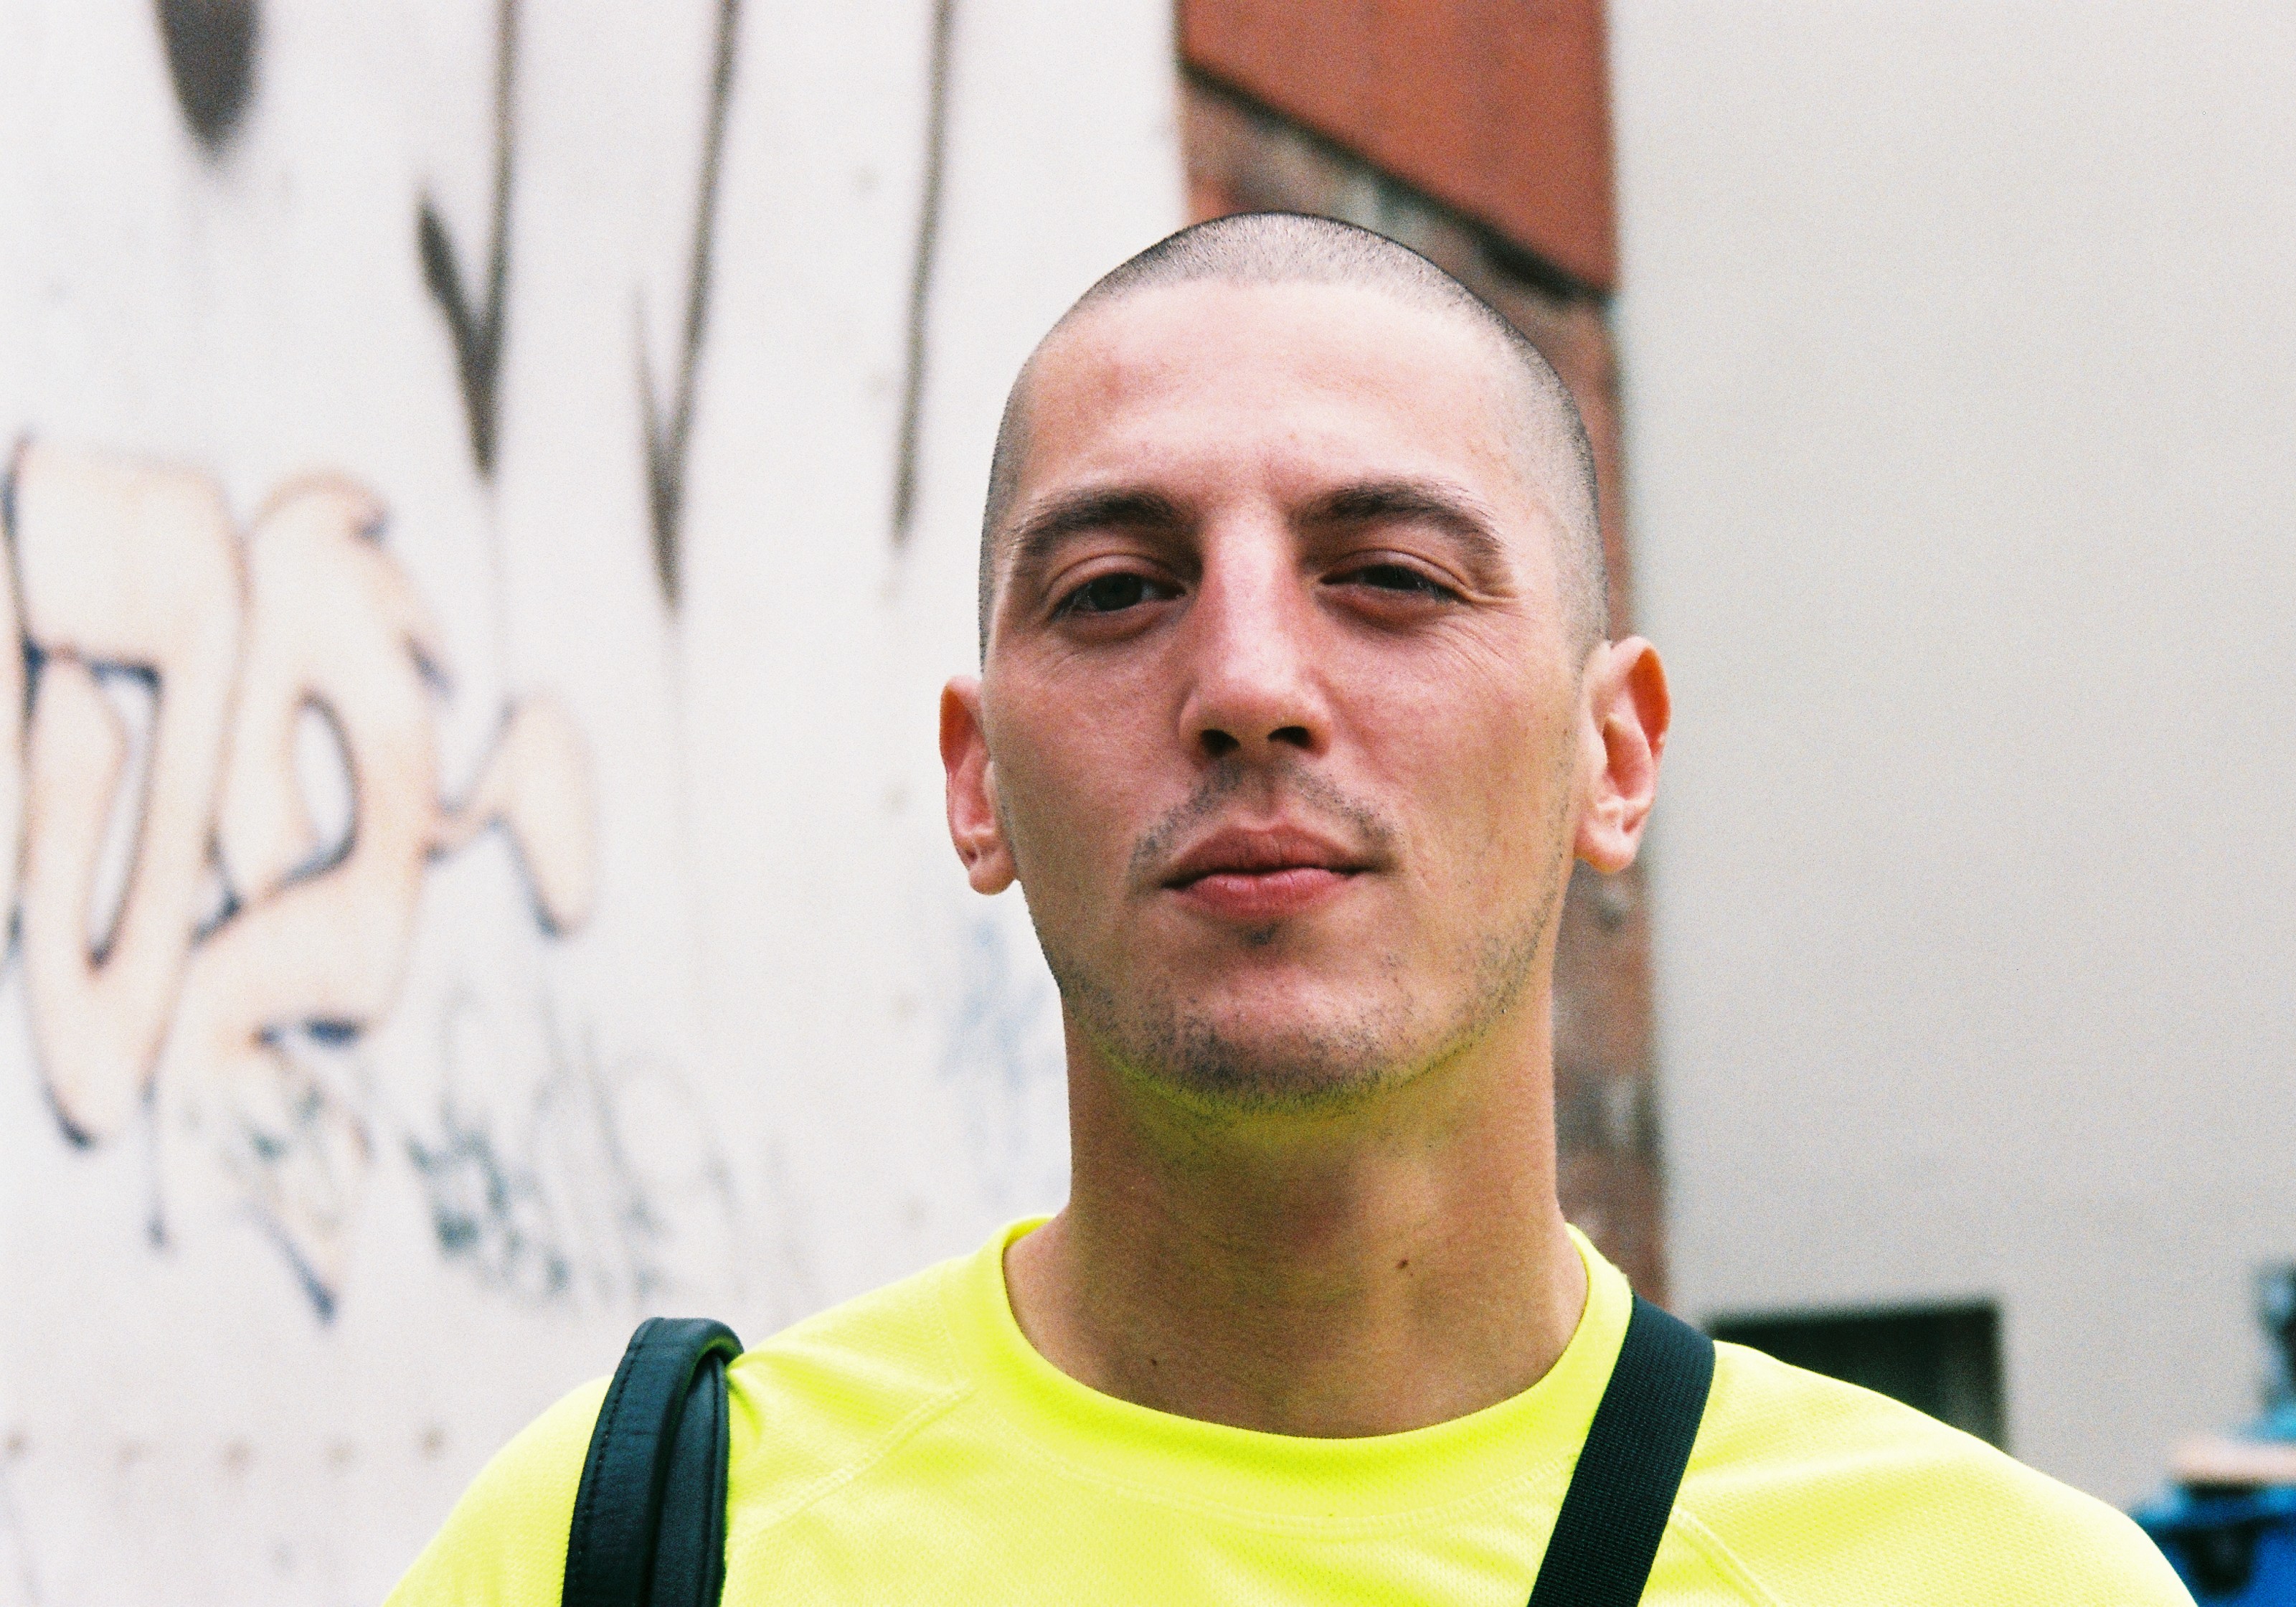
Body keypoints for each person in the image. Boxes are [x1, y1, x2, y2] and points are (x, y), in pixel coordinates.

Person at [390, 213, 2188, 1604]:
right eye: (1117, 590)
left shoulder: (2000, 1585)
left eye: (1391, 575)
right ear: (977, 779)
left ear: (1614, 754)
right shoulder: (637, 1546)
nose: (1248, 682)